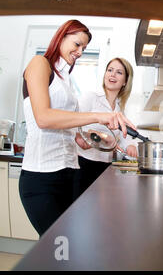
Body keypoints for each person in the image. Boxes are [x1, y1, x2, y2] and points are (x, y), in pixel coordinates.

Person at [19, 19, 136, 236]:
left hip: (68, 174)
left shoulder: (66, 80)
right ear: (61, 36)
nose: (80, 52)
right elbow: (43, 118)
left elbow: (73, 135)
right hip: (41, 178)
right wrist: (98, 117)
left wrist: (91, 139)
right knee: (56, 246)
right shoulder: (39, 64)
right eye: (77, 44)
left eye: (84, 48)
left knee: (70, 247)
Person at [73, 57, 138, 200]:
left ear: (125, 81)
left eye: (119, 72)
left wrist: (131, 146)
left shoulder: (120, 109)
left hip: (105, 167)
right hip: (83, 165)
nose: (112, 75)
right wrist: (86, 136)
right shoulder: (91, 97)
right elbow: (71, 123)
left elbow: (120, 139)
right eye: (110, 70)